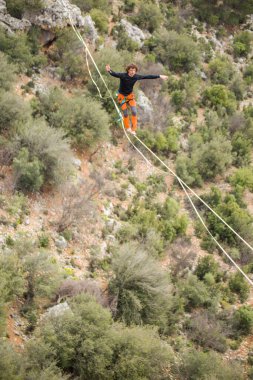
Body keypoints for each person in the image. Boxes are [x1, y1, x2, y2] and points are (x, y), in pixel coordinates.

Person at [106, 63, 168, 135]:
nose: (132, 72)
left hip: (130, 96)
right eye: (131, 70)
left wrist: (160, 76)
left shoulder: (136, 77)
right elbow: (115, 74)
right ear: (128, 70)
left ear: (135, 71)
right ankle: (128, 128)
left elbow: (148, 76)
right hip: (122, 96)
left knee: (134, 112)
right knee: (125, 113)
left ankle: (133, 129)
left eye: (134, 70)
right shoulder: (123, 75)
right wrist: (109, 70)